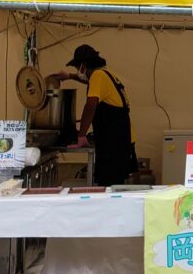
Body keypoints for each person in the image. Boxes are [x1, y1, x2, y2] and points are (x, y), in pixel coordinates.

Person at [51, 44, 138, 186]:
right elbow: (88, 81)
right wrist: (69, 76)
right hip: (123, 139)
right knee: (116, 185)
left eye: (76, 68)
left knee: (109, 186)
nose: (77, 71)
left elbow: (90, 105)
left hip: (115, 143)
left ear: (83, 66)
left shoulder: (98, 76)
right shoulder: (107, 74)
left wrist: (81, 136)